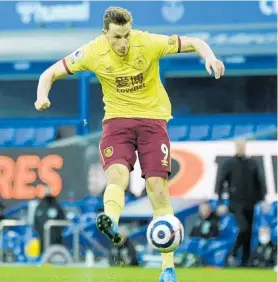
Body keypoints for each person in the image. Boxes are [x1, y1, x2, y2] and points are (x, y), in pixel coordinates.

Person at [34, 7, 224, 281]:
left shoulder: (148, 43)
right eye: (117, 37)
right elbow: (48, 74)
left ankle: (167, 269)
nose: (123, 43)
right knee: (117, 175)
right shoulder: (91, 52)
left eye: (126, 35)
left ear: (131, 30)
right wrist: (42, 97)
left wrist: (211, 58)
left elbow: (195, 42)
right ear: (105, 34)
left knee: (157, 188)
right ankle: (110, 218)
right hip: (117, 122)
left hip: (152, 121)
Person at [215, 139, 266, 267]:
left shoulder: (252, 163)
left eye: (243, 146)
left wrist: (263, 200)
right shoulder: (229, 163)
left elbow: (259, 183)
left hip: (251, 203)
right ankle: (233, 253)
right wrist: (221, 202)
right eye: (239, 146)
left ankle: (245, 261)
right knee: (243, 228)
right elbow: (220, 183)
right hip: (236, 203)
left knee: (248, 233)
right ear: (235, 146)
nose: (241, 148)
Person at [34, 186, 66, 253]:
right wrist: (40, 233)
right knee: (44, 257)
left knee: (56, 255)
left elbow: (62, 220)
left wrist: (57, 234)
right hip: (43, 238)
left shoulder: (56, 206)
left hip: (56, 240)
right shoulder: (40, 206)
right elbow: (36, 222)